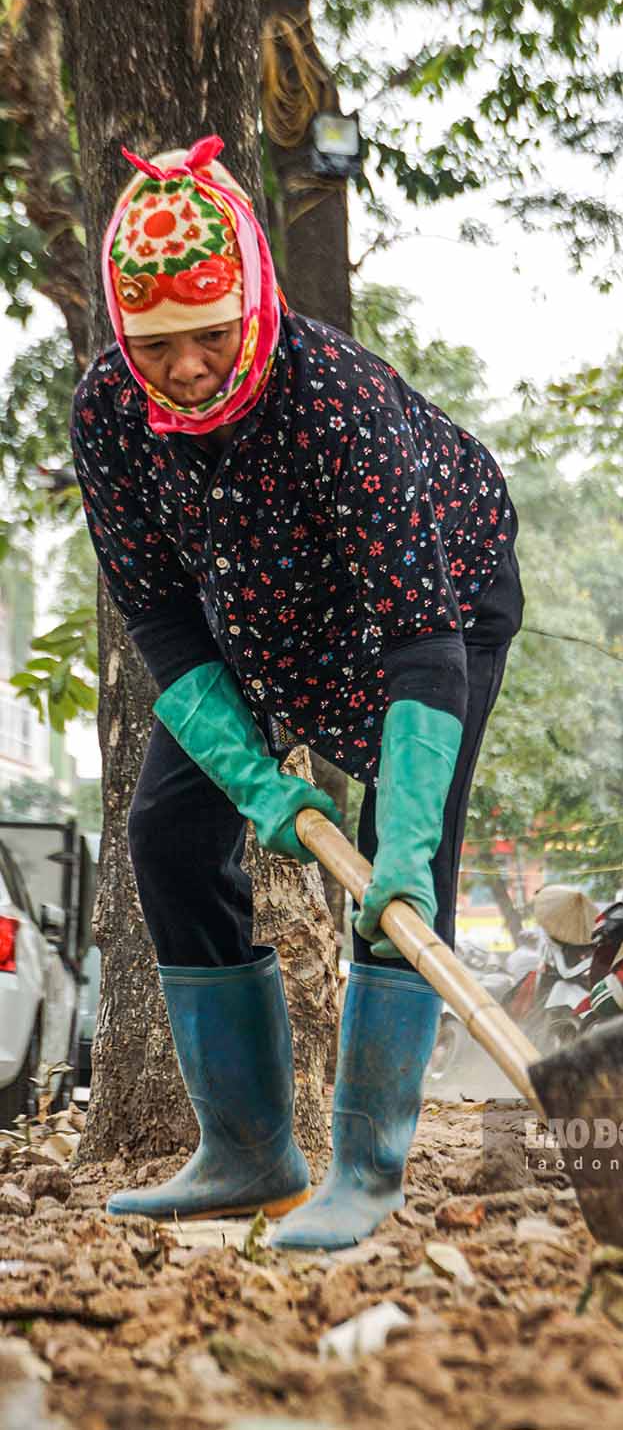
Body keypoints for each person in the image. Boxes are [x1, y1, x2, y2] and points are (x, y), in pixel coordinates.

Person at [70, 137, 522, 1249]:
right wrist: (242, 772)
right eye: (157, 345)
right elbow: (162, 618)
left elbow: (422, 638)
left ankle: (365, 1170)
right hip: (250, 617)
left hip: (424, 613)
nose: (184, 368)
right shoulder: (109, 418)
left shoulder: (335, 400)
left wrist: (403, 843)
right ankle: (247, 1147)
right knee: (171, 830)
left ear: (254, 299)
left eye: (210, 336)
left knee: (401, 877)